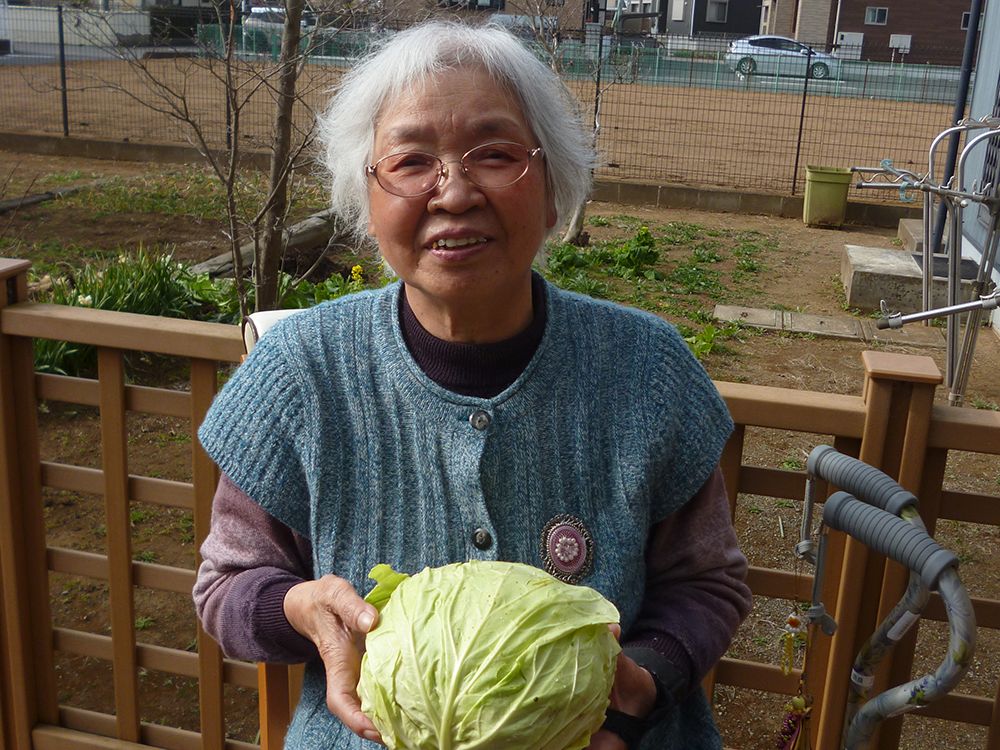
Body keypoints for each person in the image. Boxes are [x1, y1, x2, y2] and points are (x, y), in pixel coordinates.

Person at [193, 19, 752, 750]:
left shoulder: (645, 368)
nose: (453, 193)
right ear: (367, 201)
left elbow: (708, 584)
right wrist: (297, 608)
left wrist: (636, 689)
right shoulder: (299, 372)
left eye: (494, 154)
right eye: (411, 160)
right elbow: (227, 587)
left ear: (553, 193)